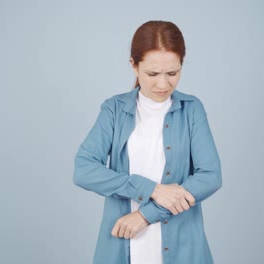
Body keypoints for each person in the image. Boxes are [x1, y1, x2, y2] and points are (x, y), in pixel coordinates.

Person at [73, 20, 222, 264]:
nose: (163, 84)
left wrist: (145, 215)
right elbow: (83, 169)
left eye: (172, 73)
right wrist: (151, 189)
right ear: (134, 65)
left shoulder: (192, 109)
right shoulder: (114, 110)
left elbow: (210, 176)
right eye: (152, 74)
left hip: (183, 246)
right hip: (122, 241)